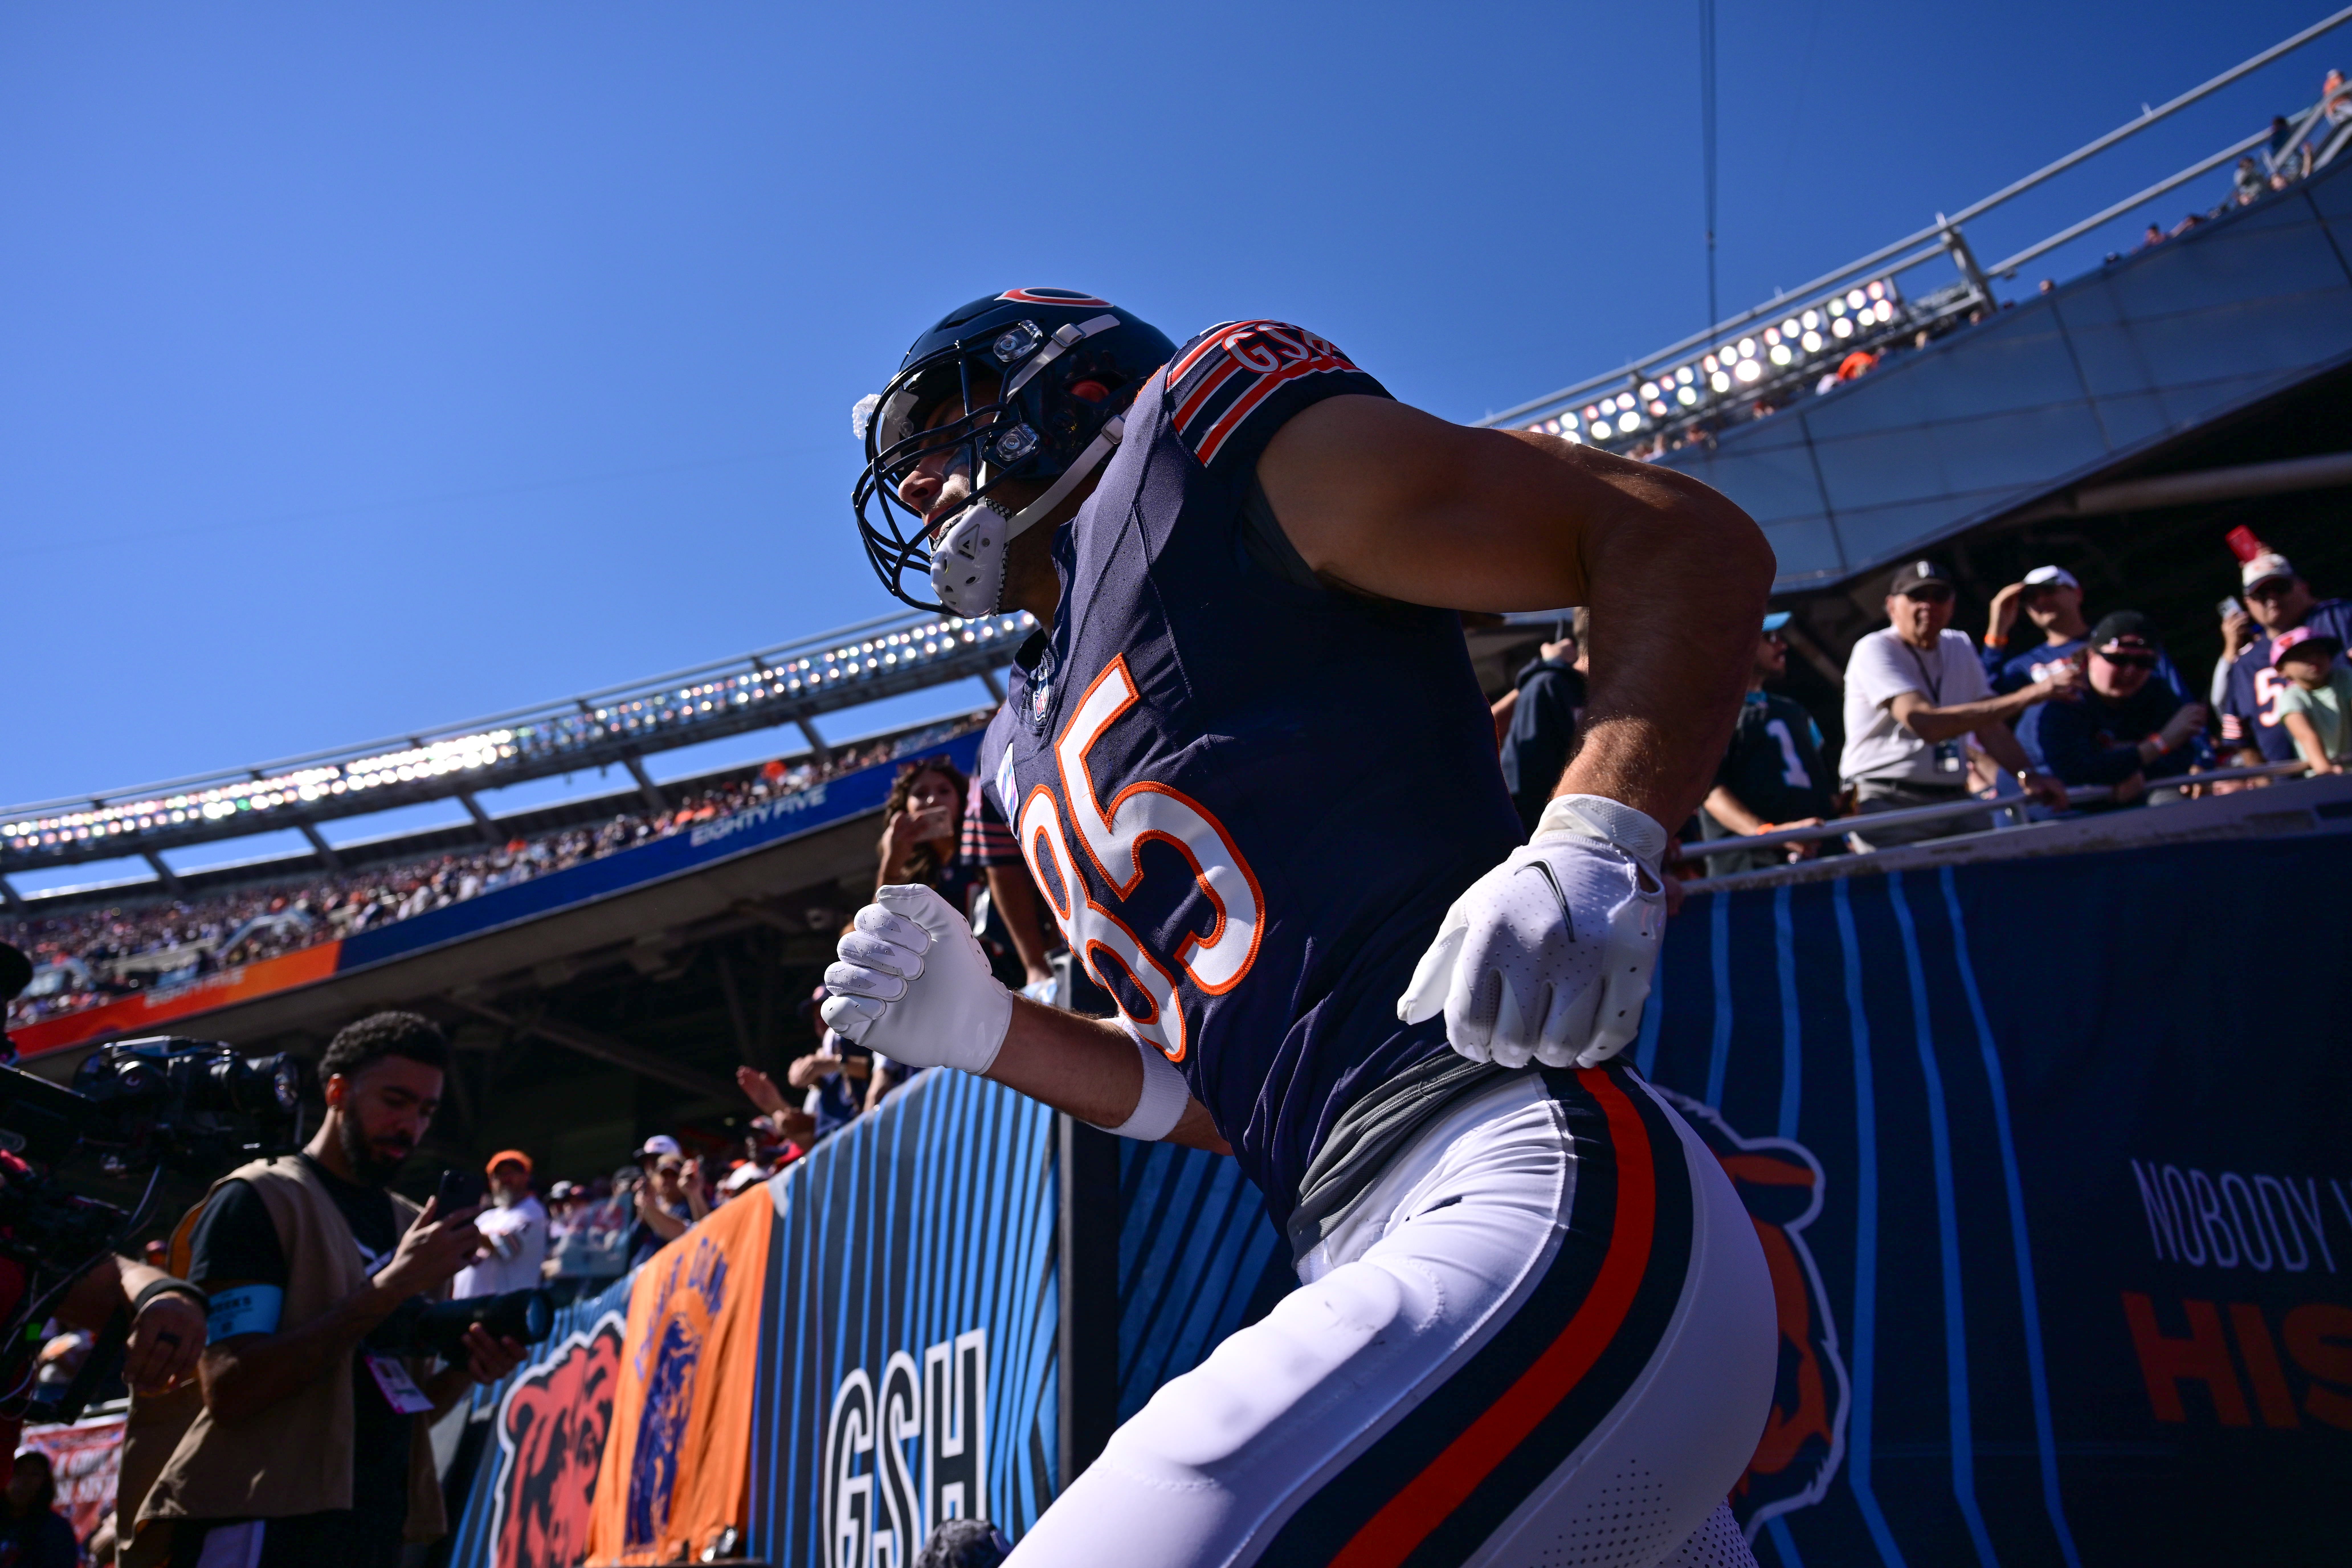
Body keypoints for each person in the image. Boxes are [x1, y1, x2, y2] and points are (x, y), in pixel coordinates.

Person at [829, 289, 1778, 1567]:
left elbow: (1680, 540)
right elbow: (1231, 1089)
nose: (925, 479)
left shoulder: (1201, 442)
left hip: (1518, 1182)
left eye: (945, 427)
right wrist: (995, 1031)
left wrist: (1597, 834)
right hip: (1375, 1246)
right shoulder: (1014, 748)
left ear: (1077, 387)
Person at [132, 1011, 524, 1568]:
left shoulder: (411, 1225)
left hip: (373, 1529)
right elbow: (232, 1388)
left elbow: (398, 1412)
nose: (410, 1124)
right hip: (259, 1521)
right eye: (395, 1100)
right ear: (337, 1091)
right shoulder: (259, 1197)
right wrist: (390, 1286)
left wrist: (468, 1369)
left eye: (426, 1110)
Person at [1840, 560, 2075, 849]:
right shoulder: (1875, 648)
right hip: (1890, 800)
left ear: (1952, 605)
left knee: (1987, 878)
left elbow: (1990, 724)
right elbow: (1927, 724)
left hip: (1954, 796)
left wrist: (2029, 775)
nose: (1929, 605)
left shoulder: (1958, 644)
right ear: (1891, 606)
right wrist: (2034, 693)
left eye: (1939, 597)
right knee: (1910, 889)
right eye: (1917, 596)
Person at [2017, 612, 2206, 805]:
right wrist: (2158, 745)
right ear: (2091, 656)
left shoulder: (2155, 693)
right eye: (2118, 659)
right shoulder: (2063, 699)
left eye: (2144, 662)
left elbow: (2183, 756)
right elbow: (2075, 771)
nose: (2130, 671)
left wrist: (2138, 771)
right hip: (2050, 814)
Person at [1698, 612, 1837, 871]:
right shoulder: (1713, 715)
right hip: (1752, 870)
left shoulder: (1795, 712)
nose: (1782, 646)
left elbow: (1825, 787)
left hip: (1821, 859)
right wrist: (1768, 833)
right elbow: (1708, 792)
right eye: (1770, 638)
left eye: (1781, 638)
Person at [2217, 547, 2352, 768]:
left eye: (2280, 588)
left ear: (2300, 586)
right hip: (2288, 787)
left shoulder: (2337, 617)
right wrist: (2265, 788)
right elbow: (2240, 736)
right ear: (2248, 602)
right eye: (2261, 594)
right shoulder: (2245, 661)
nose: (2272, 599)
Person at [1497, 612, 1589, 835]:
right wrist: (1548, 668)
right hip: (1554, 839)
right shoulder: (1548, 686)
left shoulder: (1611, 694)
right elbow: (1530, 782)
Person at [451, 1151, 547, 1300]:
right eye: (499, 1175)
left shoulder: (533, 1211)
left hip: (507, 1309)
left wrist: (462, 1231)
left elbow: (506, 1247)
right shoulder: (485, 1218)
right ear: (491, 1182)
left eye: (512, 1173)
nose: (506, 1179)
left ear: (526, 1177)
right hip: (467, 1305)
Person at [2268, 625, 2352, 773]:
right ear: (2282, 670)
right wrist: (2324, 768)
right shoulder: (2291, 697)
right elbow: (2305, 735)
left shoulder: (2346, 678)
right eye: (2302, 655)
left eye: (2319, 652)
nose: (2313, 659)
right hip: (2328, 780)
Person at [0, 1449, 76, 1568]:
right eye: (18, 1473)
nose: (24, 1481)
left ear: (46, 1483)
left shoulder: (56, 1530)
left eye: (34, 1474)